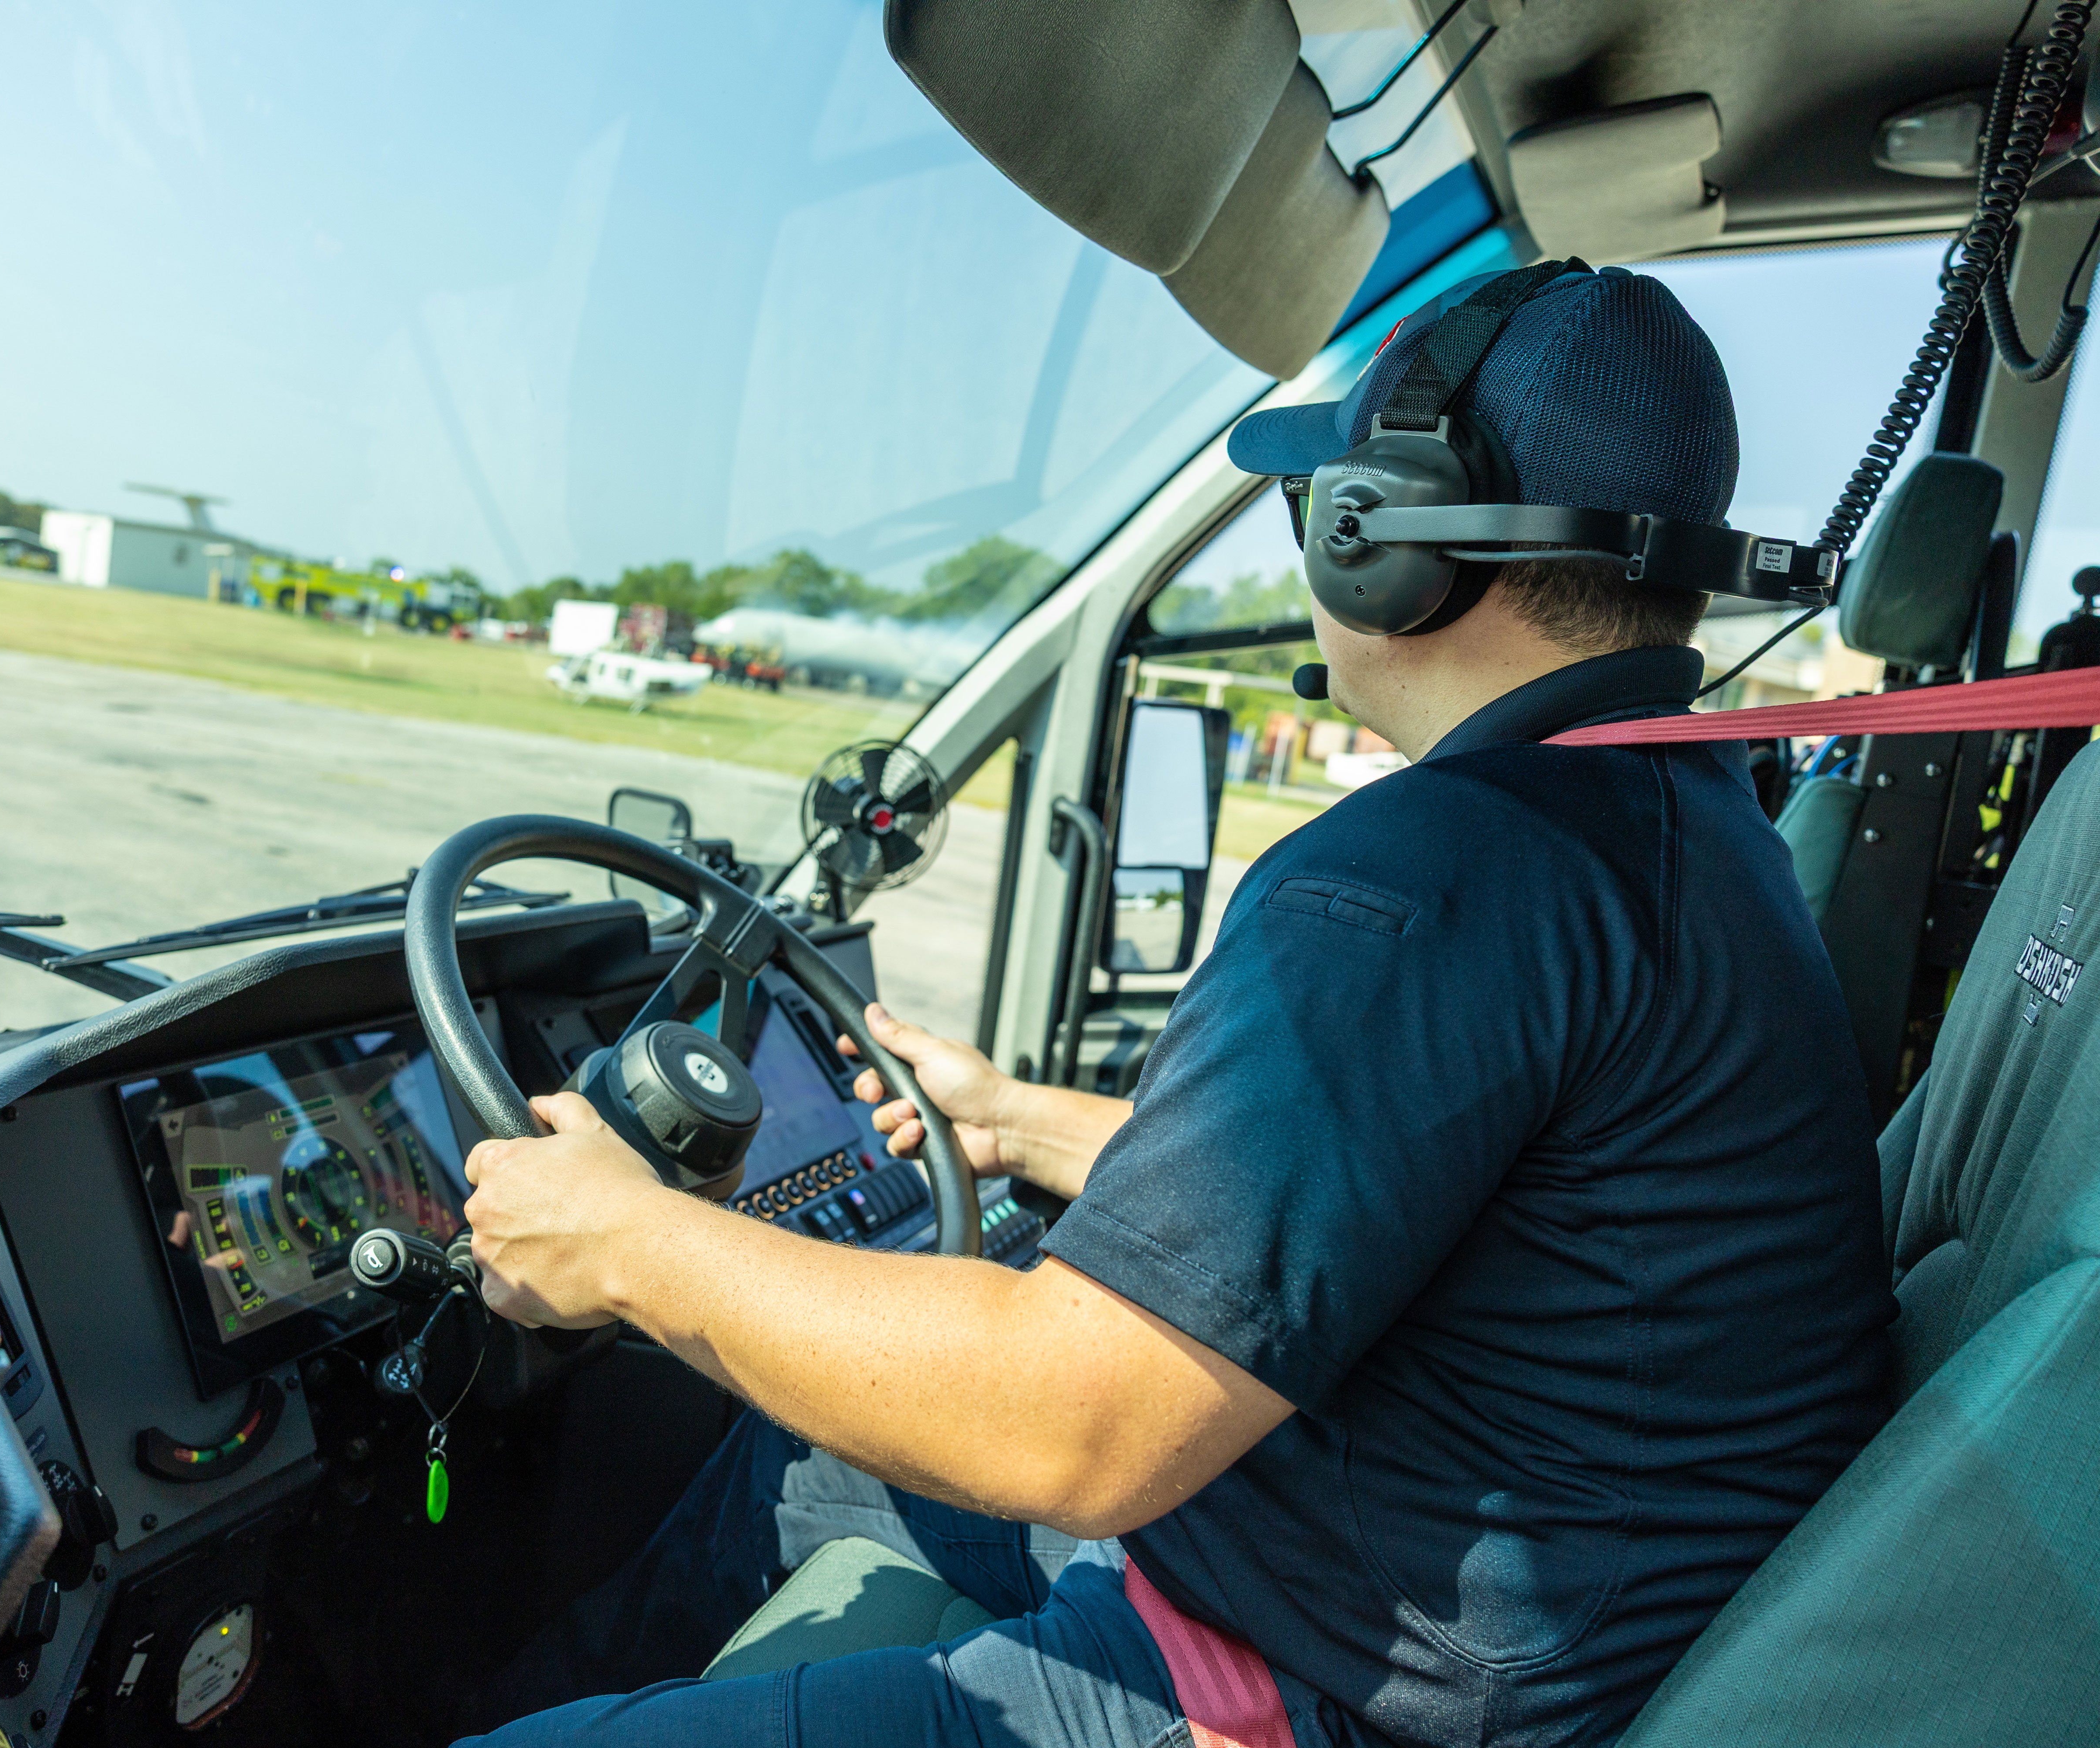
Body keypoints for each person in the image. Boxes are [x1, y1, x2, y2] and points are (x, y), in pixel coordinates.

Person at [446, 265, 1896, 1748]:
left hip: (1316, 1687)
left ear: (1381, 534)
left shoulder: (1429, 871)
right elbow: (1432, 1185)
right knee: (800, 1466)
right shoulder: (1676, 823)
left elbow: (1066, 1426)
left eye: (1315, 501)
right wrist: (1017, 1121)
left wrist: (623, 1244)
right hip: (1427, 1603)